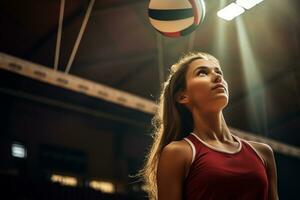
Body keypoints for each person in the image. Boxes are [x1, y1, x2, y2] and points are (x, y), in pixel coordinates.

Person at [135, 52, 279, 200]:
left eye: (219, 72)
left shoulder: (263, 153)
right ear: (183, 96)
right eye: (202, 73)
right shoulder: (178, 153)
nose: (218, 77)